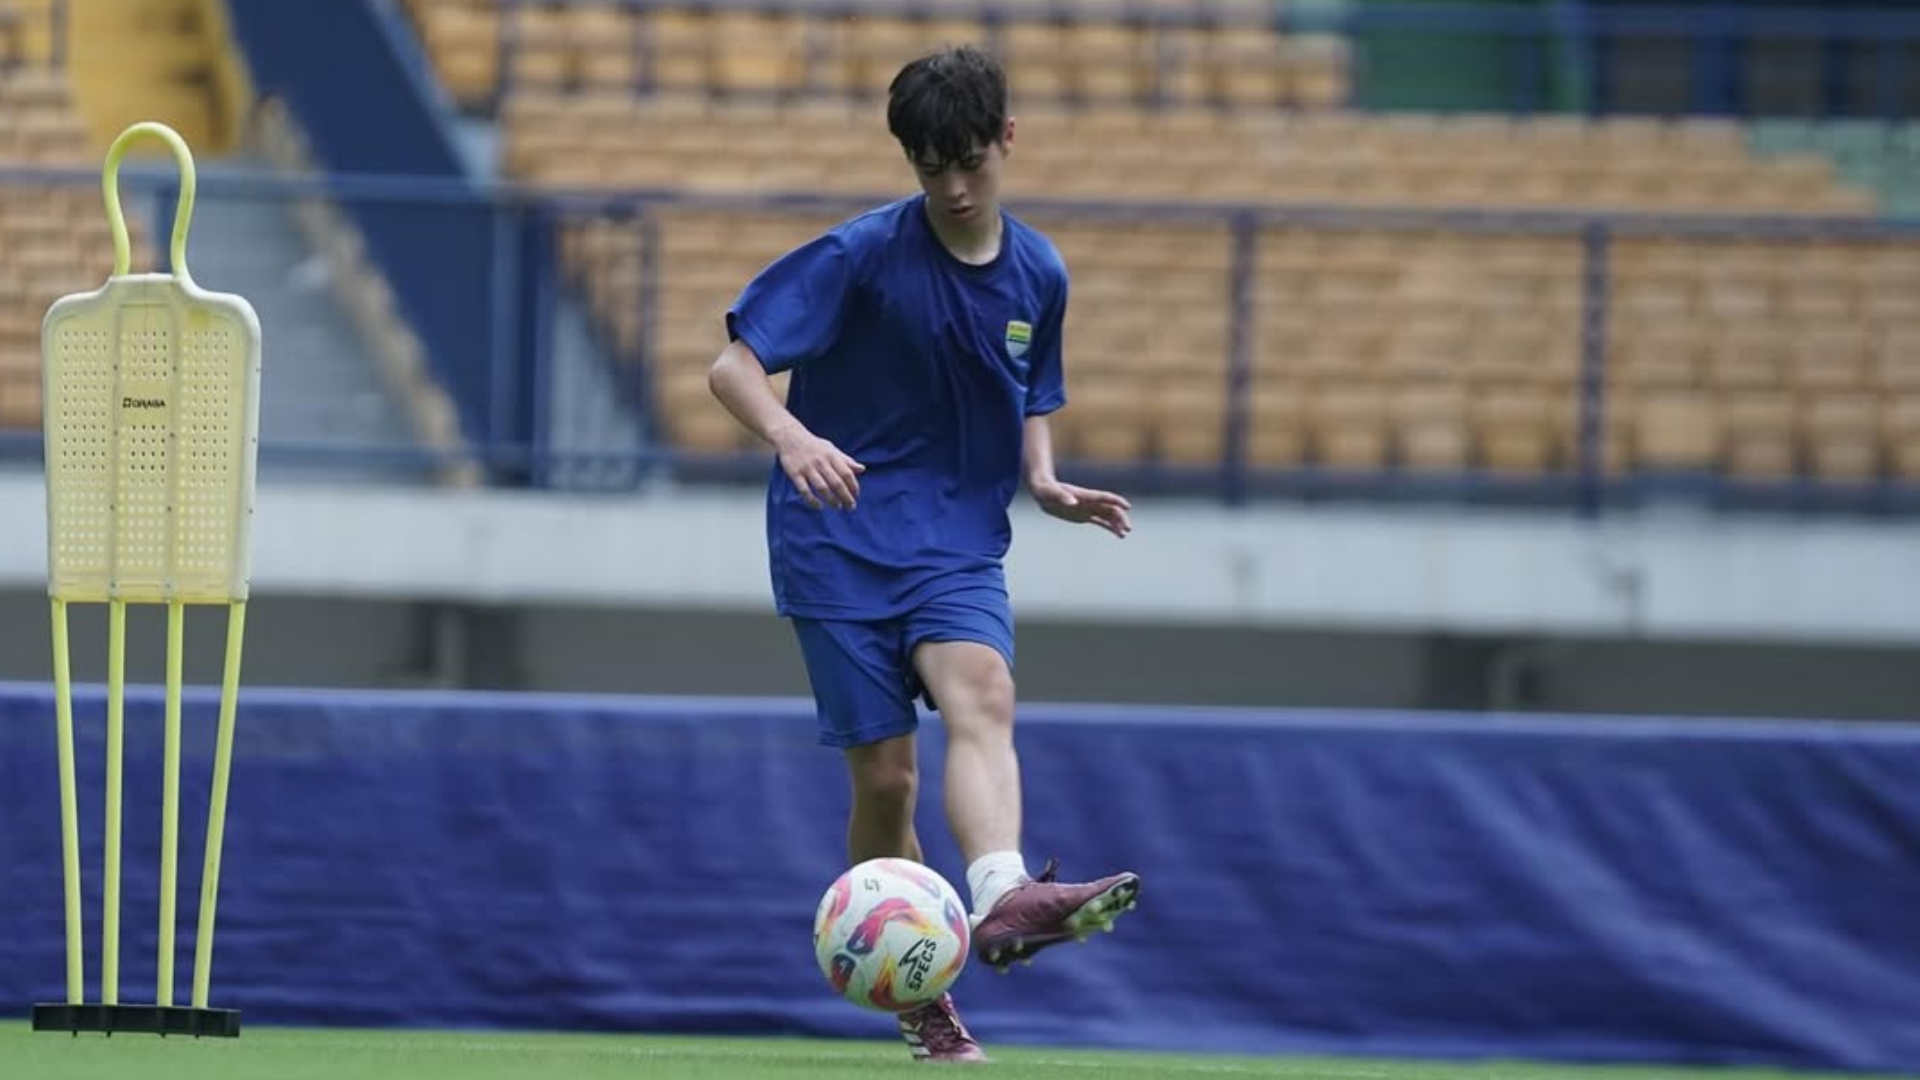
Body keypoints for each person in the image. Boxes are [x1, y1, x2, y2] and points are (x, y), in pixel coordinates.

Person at [707, 44, 1141, 1064]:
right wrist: (793, 437)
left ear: (1007, 140)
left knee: (982, 688)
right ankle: (920, 994)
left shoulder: (1040, 272)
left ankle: (1002, 896)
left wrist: (1044, 479)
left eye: (970, 164)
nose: (952, 188)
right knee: (888, 782)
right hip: (836, 539)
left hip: (955, 542)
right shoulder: (858, 255)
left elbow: (1031, 389)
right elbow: (732, 367)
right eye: (929, 168)